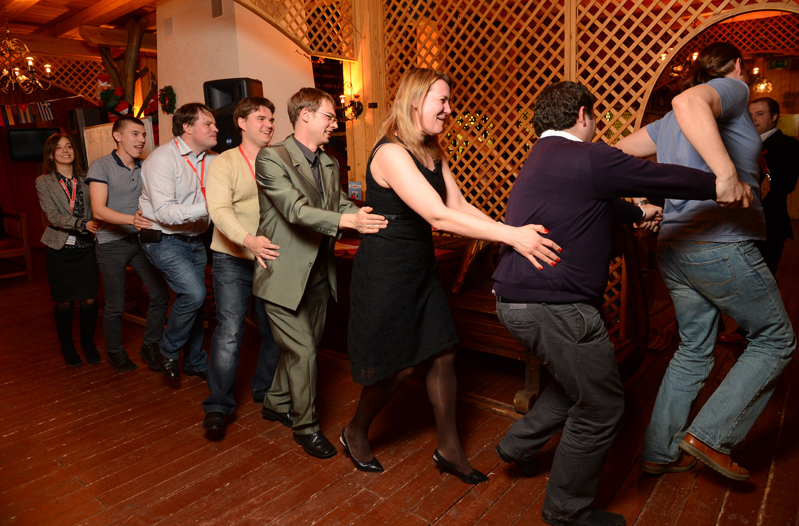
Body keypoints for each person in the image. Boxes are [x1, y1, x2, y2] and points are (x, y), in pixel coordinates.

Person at [493, 81, 719, 526]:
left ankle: (517, 445)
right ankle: (566, 511)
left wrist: (639, 213)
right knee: (601, 407)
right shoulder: (588, 156)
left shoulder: (542, 158)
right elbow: (663, 178)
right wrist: (724, 181)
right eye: (594, 117)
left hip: (517, 303)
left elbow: (595, 204)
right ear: (582, 115)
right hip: (556, 308)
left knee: (574, 386)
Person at [342, 68, 563, 484]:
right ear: (415, 101)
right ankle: (355, 430)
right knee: (399, 367)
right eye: (441, 100)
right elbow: (437, 215)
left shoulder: (432, 150)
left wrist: (510, 234)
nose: (449, 109)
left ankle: (449, 448)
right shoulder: (391, 152)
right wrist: (512, 236)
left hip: (420, 268)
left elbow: (457, 205)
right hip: (386, 272)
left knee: (443, 352)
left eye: (448, 101)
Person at [616, 42, 795, 482]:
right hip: (719, 242)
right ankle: (710, 436)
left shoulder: (668, 123)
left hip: (676, 249)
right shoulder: (733, 89)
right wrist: (726, 175)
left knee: (694, 349)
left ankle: (658, 452)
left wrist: (638, 204)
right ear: (738, 66)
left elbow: (618, 153)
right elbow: (687, 100)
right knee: (776, 339)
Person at [253, 87, 387, 459]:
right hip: (283, 274)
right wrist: (350, 221)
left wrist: (370, 215)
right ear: (306, 115)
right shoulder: (271, 158)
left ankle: (276, 401)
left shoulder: (328, 162)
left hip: (318, 274)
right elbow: (295, 210)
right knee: (305, 353)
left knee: (301, 349)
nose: (334, 123)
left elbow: (338, 204)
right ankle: (306, 427)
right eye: (329, 116)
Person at [202, 97, 282, 432]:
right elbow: (219, 211)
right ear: (242, 123)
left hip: (269, 257)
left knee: (274, 331)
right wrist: (248, 240)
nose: (269, 124)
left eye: (271, 119)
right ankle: (218, 406)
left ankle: (265, 392)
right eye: (261, 118)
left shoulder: (278, 159)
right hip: (232, 258)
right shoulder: (224, 163)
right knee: (230, 333)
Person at [138, 103, 218, 381]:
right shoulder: (162, 159)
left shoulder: (213, 159)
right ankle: (167, 349)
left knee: (198, 302)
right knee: (194, 294)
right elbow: (165, 213)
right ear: (187, 127)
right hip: (163, 239)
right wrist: (213, 206)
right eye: (208, 124)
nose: (216, 128)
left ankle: (194, 361)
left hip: (195, 239)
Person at [87, 117, 169, 373]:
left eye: (143, 135)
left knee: (160, 295)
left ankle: (150, 345)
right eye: (135, 134)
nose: (141, 139)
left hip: (141, 241)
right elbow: (99, 210)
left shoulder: (145, 166)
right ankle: (115, 352)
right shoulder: (101, 166)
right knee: (115, 305)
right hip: (111, 243)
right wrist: (132, 220)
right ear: (117, 136)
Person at [35, 133, 101, 367]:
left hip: (86, 248)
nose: (65, 151)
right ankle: (67, 345)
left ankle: (87, 342)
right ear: (51, 155)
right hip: (59, 249)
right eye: (59, 148)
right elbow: (52, 216)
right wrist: (82, 223)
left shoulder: (88, 179)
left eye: (69, 146)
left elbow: (98, 208)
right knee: (65, 303)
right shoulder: (44, 182)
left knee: (90, 301)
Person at [750, 97, 799, 275]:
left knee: (764, 278)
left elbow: (787, 184)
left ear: (774, 117)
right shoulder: (747, 143)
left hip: (770, 222)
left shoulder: (788, 145)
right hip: (743, 223)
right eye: (750, 115)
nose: (754, 119)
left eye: (760, 114)